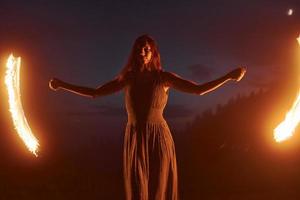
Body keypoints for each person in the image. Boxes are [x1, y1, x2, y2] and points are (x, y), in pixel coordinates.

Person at [49, 34, 246, 200]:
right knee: (137, 191)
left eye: (146, 49)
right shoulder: (128, 78)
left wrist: (228, 77)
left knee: (157, 189)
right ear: (134, 53)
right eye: (139, 49)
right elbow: (95, 92)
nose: (142, 52)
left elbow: (198, 90)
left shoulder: (164, 77)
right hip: (135, 138)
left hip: (159, 139)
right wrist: (62, 85)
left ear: (153, 53)